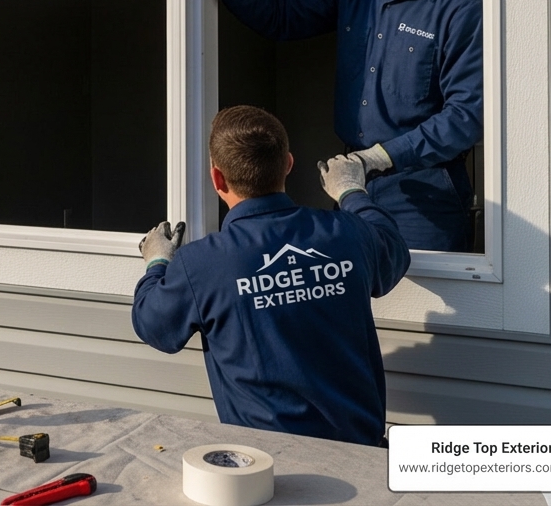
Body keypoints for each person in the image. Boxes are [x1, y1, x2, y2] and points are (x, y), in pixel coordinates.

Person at [194, 0, 482, 251]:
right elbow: (279, 17)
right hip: (353, 183)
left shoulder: (463, 8)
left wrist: (379, 157)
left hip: (424, 197)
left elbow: (465, 116)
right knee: (358, 300)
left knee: (425, 310)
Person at [132, 105, 410, 446]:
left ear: (217, 178)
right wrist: (351, 192)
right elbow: (393, 249)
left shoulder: (203, 263)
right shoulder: (346, 234)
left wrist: (157, 262)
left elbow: (155, 326)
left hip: (269, 465)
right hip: (361, 452)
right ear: (289, 164)